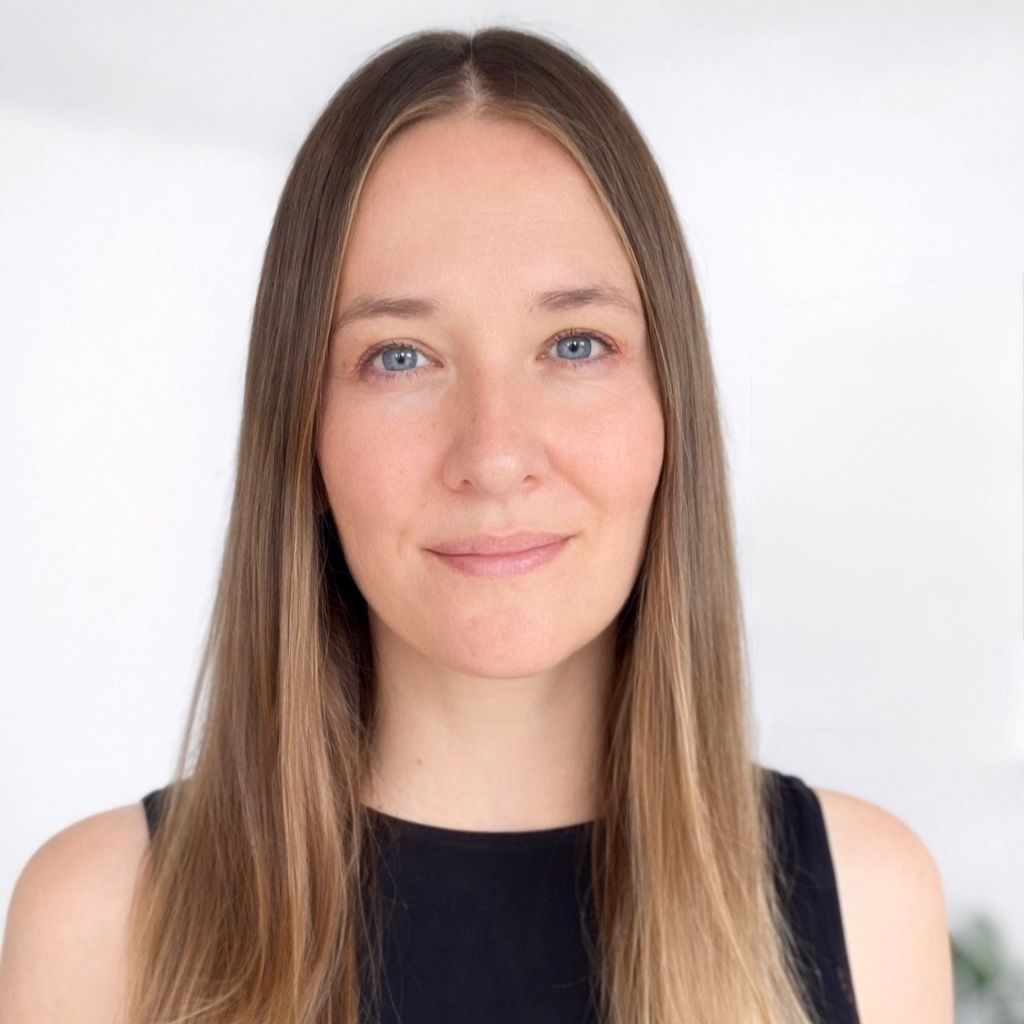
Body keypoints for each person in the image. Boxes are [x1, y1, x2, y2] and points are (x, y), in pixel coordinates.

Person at [0, 26, 953, 1024]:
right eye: (400, 357)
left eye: (574, 344)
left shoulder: (866, 903)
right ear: (302, 430)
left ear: (672, 410)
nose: (494, 455)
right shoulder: (101, 923)